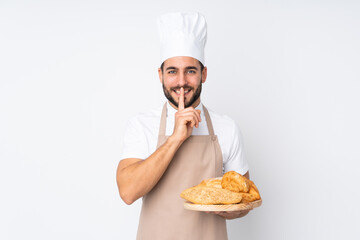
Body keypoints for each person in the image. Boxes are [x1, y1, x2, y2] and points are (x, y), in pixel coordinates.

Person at [116, 12, 252, 240]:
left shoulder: (226, 127)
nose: (181, 81)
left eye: (190, 71)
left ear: (204, 74)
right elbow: (128, 192)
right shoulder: (142, 125)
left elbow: (246, 199)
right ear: (160, 75)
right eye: (172, 71)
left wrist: (229, 209)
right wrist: (175, 138)